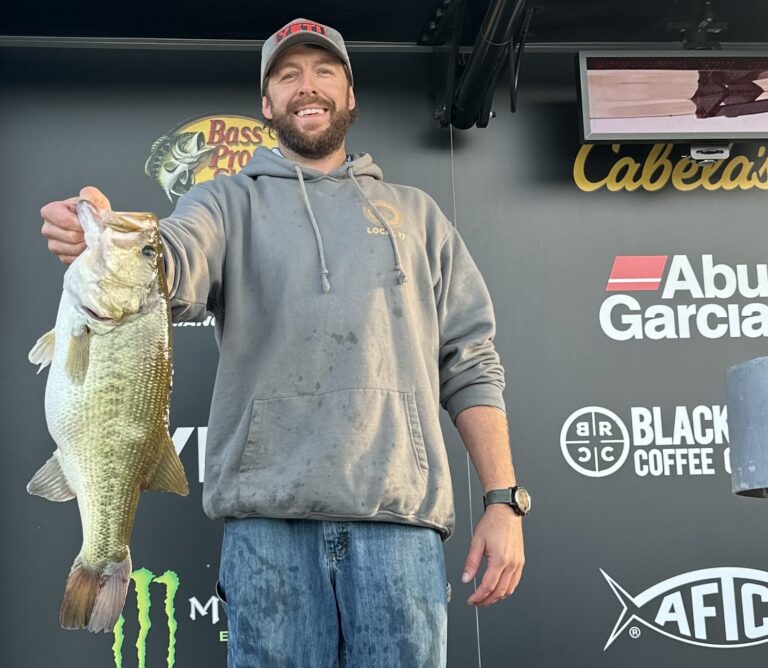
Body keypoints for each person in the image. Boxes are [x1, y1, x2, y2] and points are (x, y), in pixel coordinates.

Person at [40, 17, 527, 667]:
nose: (308, 86)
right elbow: (172, 262)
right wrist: (103, 243)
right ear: (266, 103)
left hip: (398, 532)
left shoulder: (418, 215)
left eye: (325, 71)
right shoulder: (224, 204)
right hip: (268, 532)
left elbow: (470, 362)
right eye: (288, 74)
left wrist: (502, 499)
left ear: (350, 95)